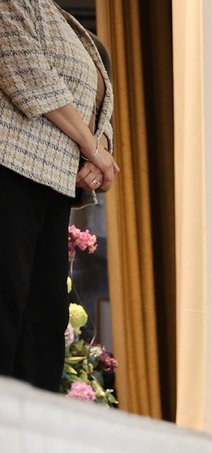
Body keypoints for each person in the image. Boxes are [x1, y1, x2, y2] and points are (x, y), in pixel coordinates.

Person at [0, 1, 118, 391]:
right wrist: (92, 147)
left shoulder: (70, 25)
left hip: (54, 186)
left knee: (44, 323)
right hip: (10, 169)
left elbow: (101, 105)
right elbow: (28, 75)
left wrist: (102, 146)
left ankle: (31, 426)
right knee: (6, 305)